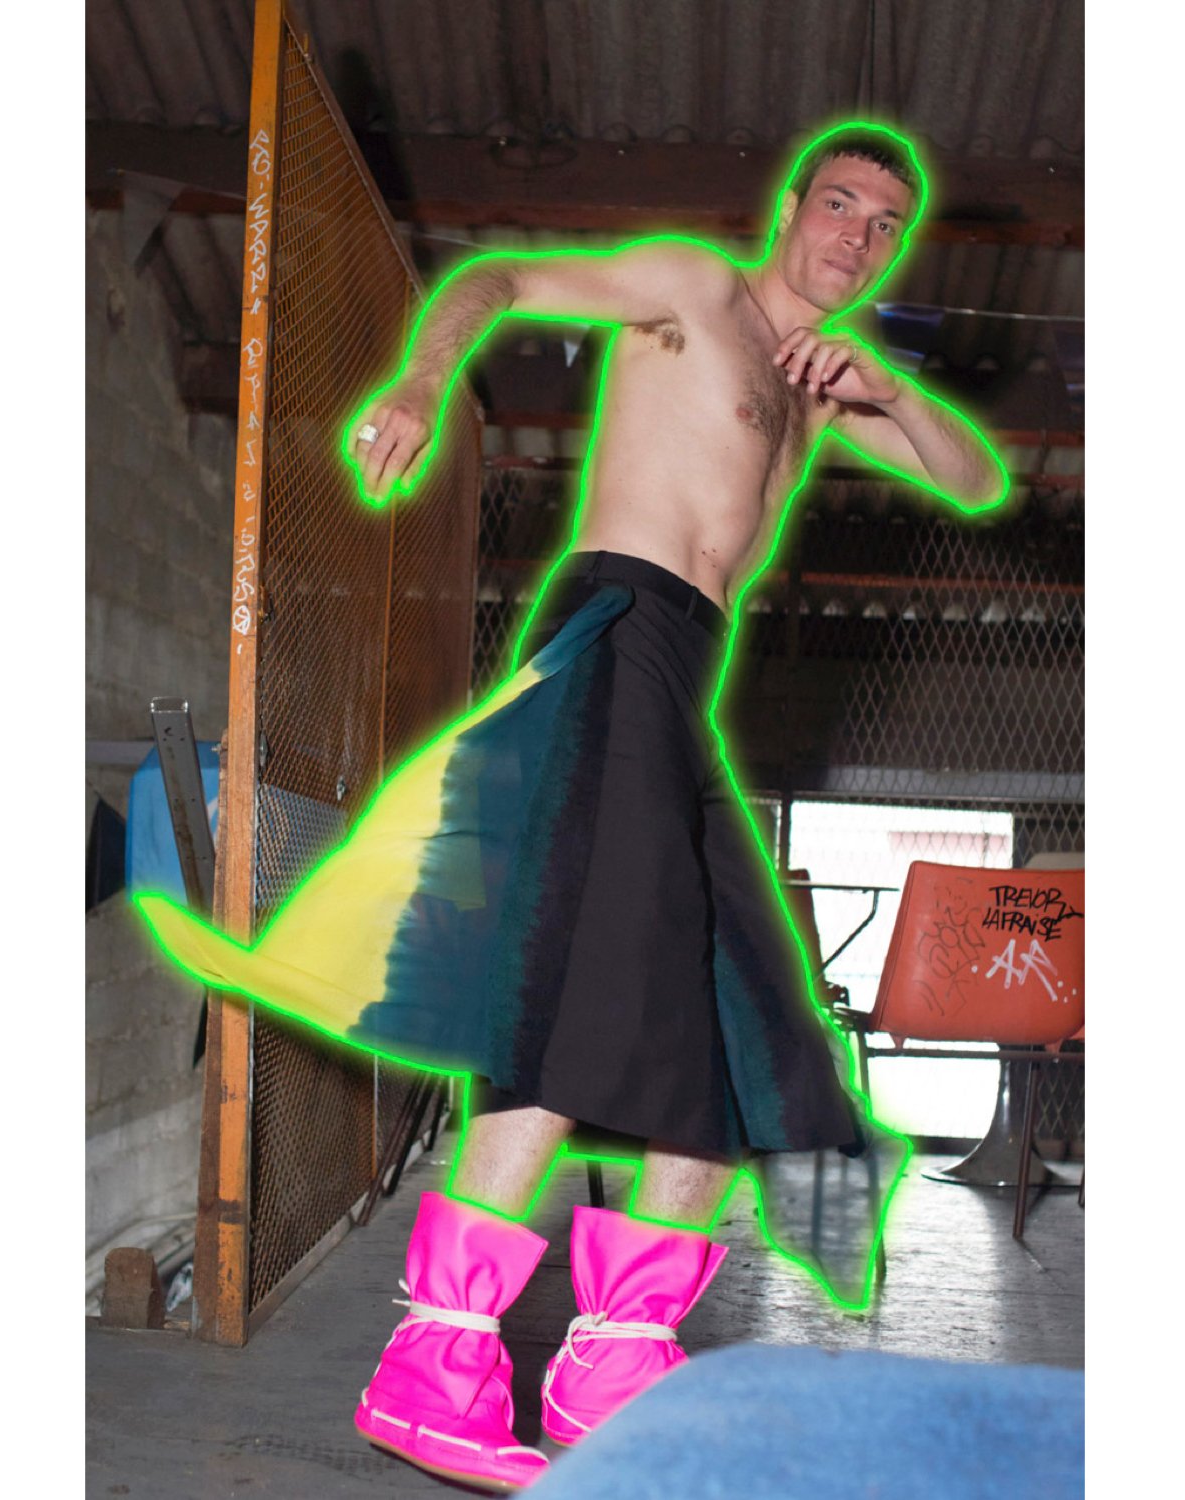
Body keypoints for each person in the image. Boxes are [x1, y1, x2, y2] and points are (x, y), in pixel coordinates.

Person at [137, 124, 1006, 1493]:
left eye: (883, 223)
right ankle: (436, 1358)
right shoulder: (692, 289)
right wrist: (423, 381)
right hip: (617, 635)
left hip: (683, 686)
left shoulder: (821, 393)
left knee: (737, 1029)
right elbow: (501, 282)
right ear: (793, 205)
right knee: (579, 996)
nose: (855, 235)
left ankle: (614, 1364)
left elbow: (971, 478)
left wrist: (884, 389)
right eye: (839, 203)